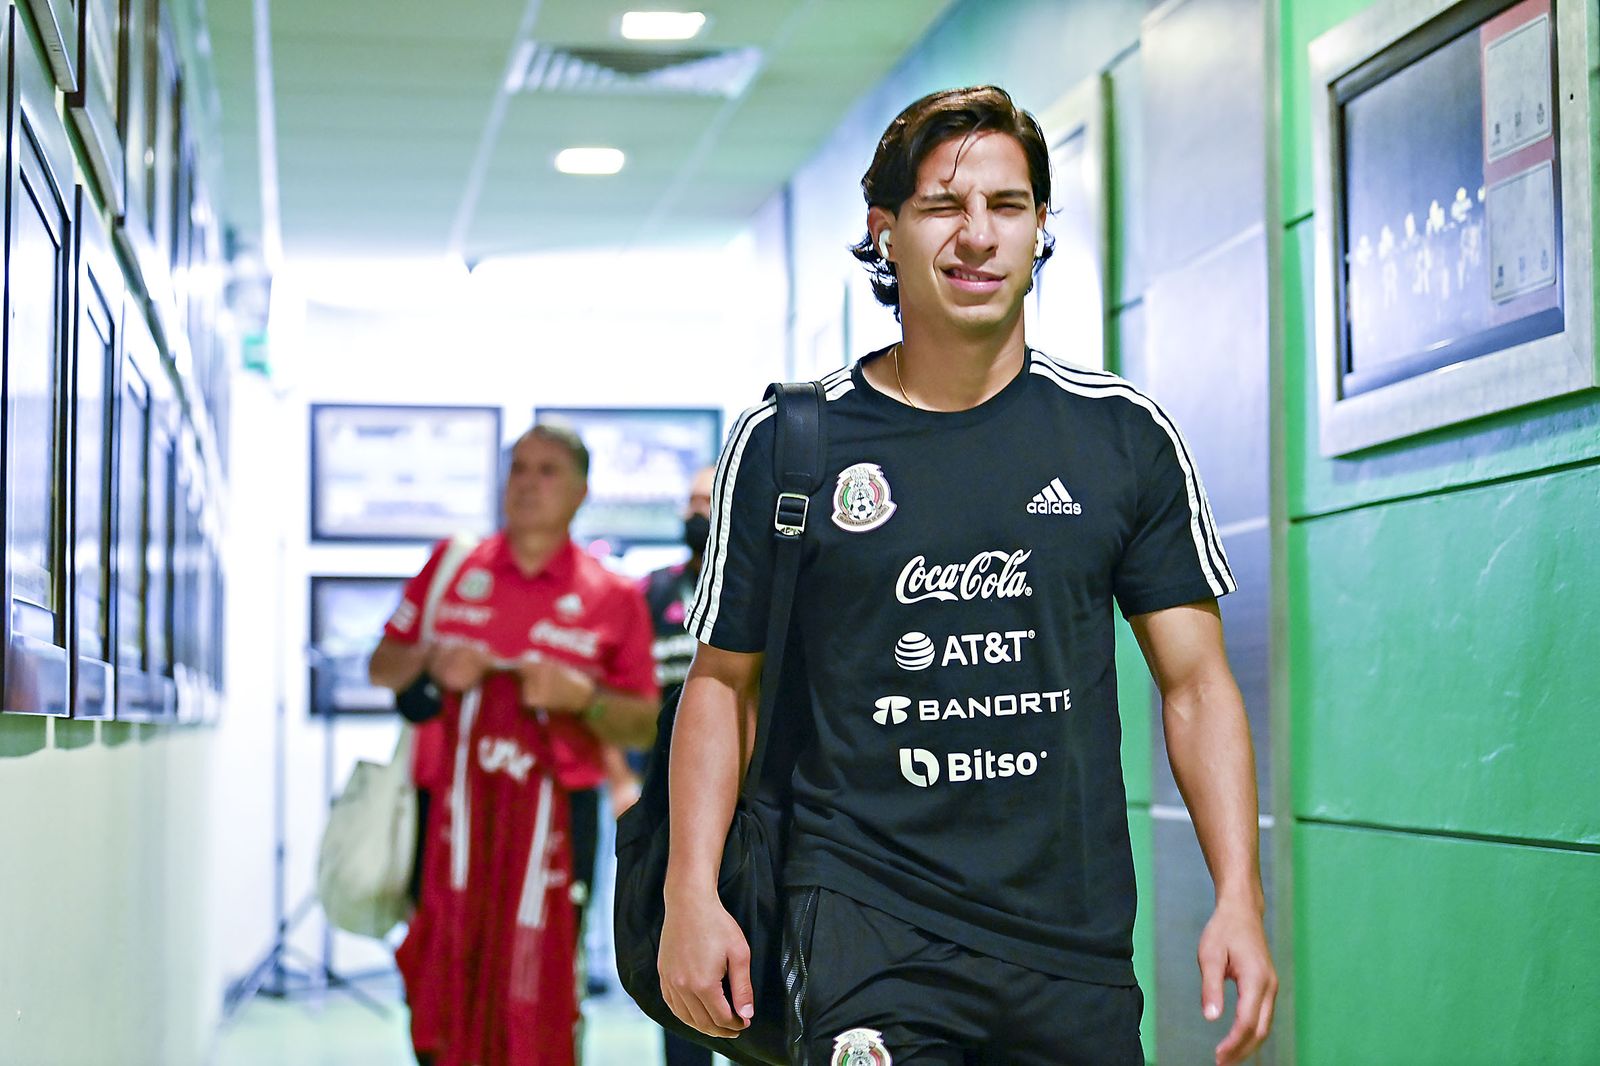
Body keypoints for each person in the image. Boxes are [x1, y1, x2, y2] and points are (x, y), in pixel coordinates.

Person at [658, 86, 1276, 1066]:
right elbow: (723, 684)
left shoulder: (1121, 437)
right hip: (865, 917)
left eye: (1009, 205)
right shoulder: (791, 445)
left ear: (1038, 230)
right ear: (885, 232)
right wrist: (688, 893)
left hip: (1068, 942)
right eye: (944, 206)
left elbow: (1196, 683)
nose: (978, 236)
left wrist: (1237, 894)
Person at [370, 423, 659, 1066]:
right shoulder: (454, 567)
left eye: (547, 470)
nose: (528, 483)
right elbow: (382, 665)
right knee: (445, 958)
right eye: (518, 468)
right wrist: (432, 657)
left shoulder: (612, 596)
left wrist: (581, 697)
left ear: (582, 489)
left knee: (544, 970)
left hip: (560, 816)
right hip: (447, 807)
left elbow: (644, 723)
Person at [638, 465, 718, 1066]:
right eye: (689, 504)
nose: (695, 515)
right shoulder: (654, 590)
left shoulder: (765, 589)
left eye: (706, 504)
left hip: (747, 798)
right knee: (676, 945)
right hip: (661, 797)